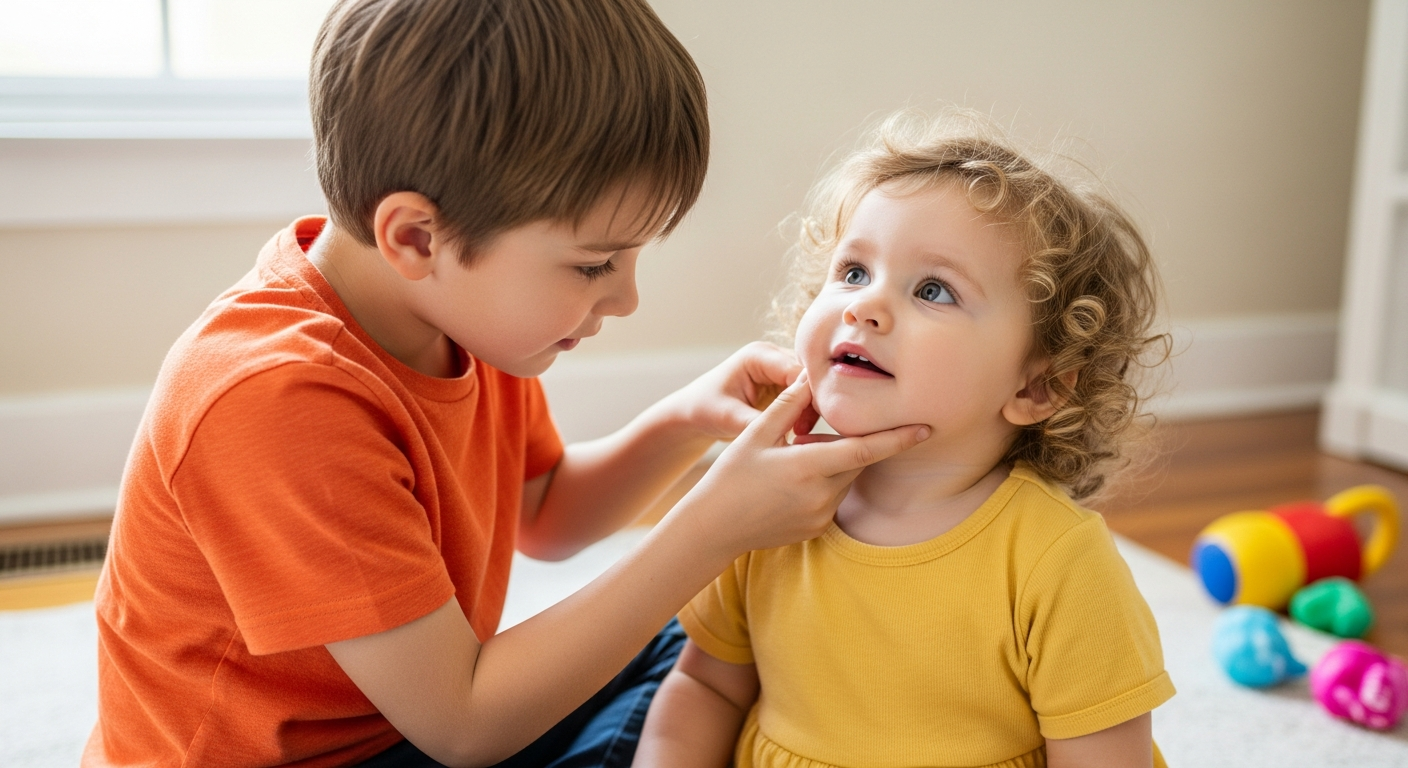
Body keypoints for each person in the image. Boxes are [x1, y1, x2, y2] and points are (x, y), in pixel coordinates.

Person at [81, 2, 930, 766]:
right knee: (698, 642)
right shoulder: (276, 401)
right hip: (351, 745)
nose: (627, 298)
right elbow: (465, 725)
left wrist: (685, 422)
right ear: (417, 236)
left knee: (713, 639)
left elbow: (544, 513)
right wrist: (711, 527)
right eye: (595, 263)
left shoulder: (455, 314)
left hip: (409, 722)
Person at [633, 110, 1177, 768]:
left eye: (932, 290)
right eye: (854, 272)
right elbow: (707, 687)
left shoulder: (1059, 563)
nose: (863, 306)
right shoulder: (765, 506)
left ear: (1036, 387)